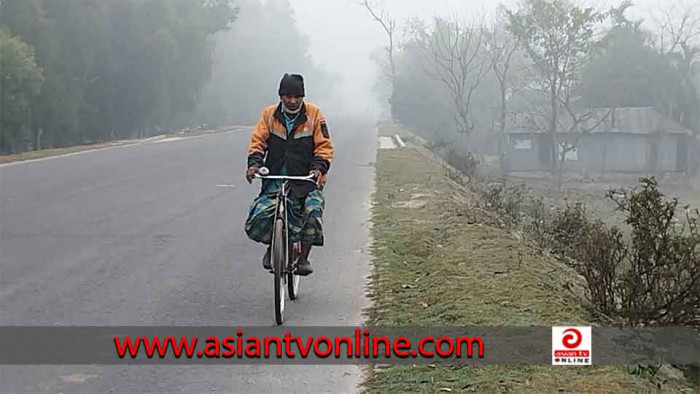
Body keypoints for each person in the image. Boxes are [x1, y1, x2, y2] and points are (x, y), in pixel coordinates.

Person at [244, 73, 334, 276]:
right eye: (287, 96)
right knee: (260, 215)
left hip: (306, 180)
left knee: (312, 212)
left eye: (297, 97)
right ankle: (272, 246)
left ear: (303, 97)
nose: (292, 101)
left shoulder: (314, 115)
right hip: (276, 178)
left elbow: (324, 147)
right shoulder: (269, 114)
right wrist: (254, 165)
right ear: (280, 96)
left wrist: (318, 169)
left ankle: (303, 259)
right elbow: (258, 142)